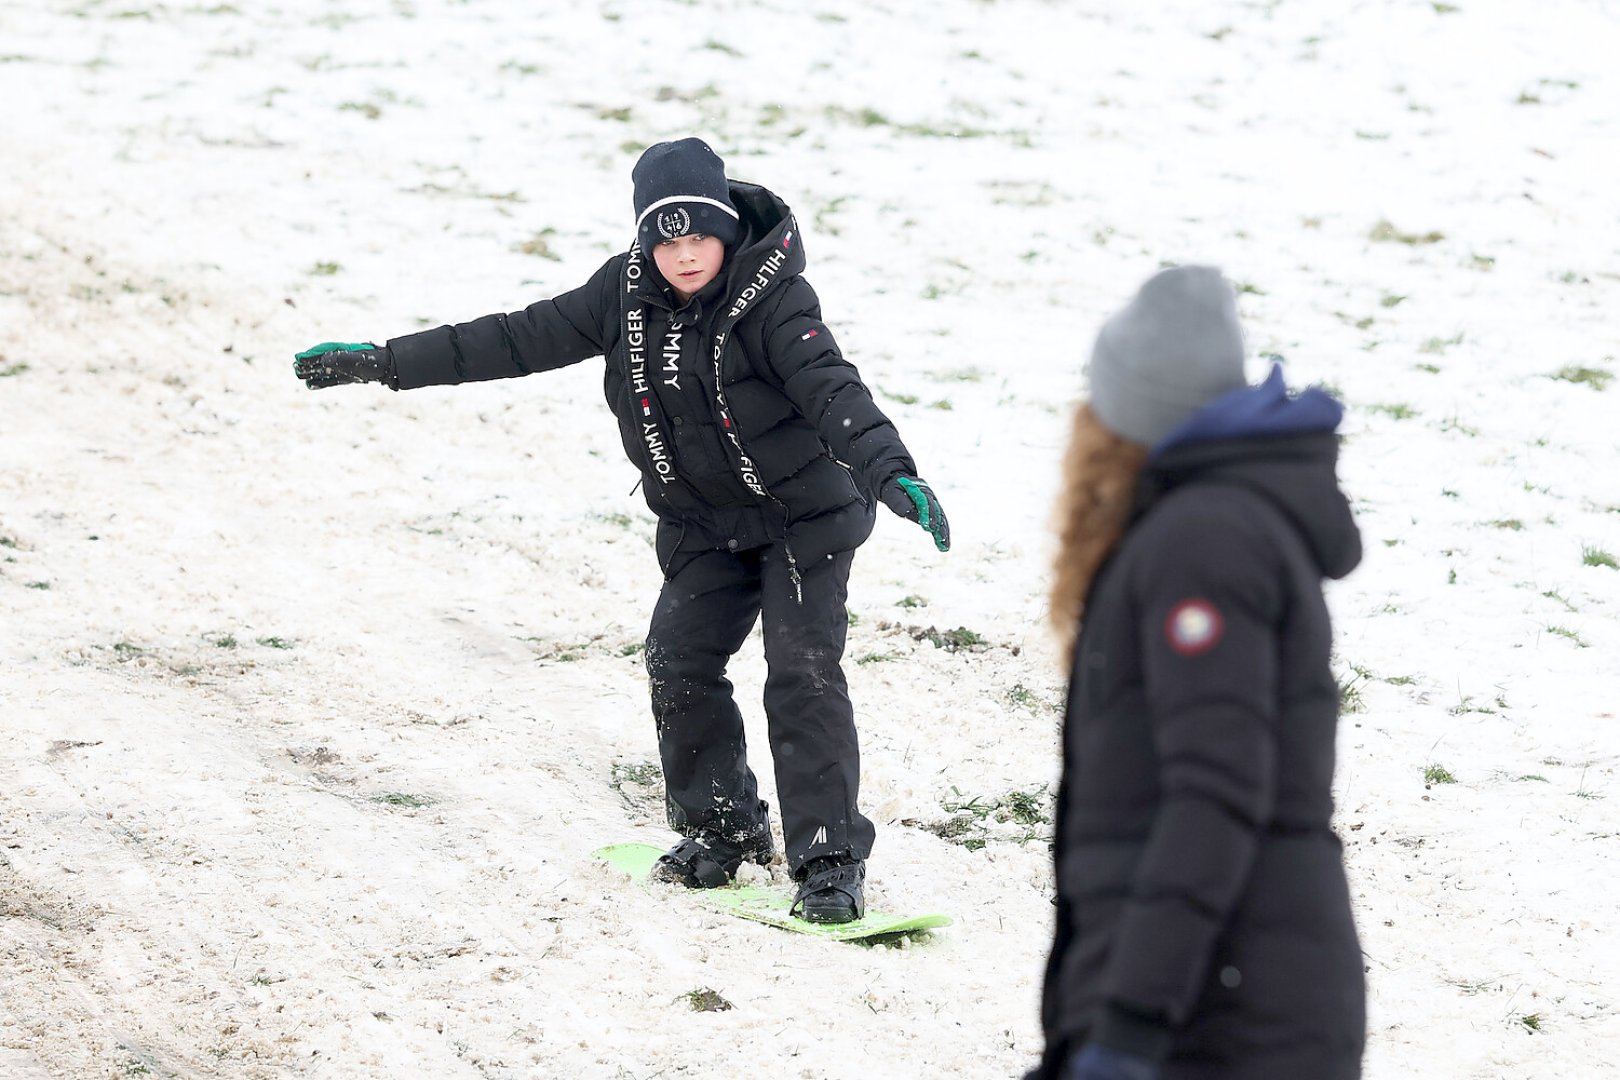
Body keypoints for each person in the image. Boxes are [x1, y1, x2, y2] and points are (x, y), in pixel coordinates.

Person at [291, 137, 949, 925]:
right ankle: (725, 831)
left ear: (726, 230)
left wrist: (891, 472)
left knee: (801, 671)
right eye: (666, 241)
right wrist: (387, 361)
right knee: (679, 662)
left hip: (803, 519)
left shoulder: (776, 299)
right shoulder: (621, 295)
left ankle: (830, 863)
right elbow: (512, 338)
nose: (685, 255)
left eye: (698, 235)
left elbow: (832, 389)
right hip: (707, 524)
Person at [1030, 266, 1366, 1079]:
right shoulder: (1203, 526)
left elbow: (1215, 791)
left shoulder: (1204, 542)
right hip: (1213, 997)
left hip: (1224, 1017)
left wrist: (1132, 1024)